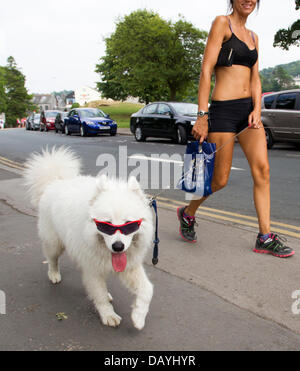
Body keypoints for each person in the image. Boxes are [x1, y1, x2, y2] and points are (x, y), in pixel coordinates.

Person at [177, 0, 294, 258]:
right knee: (220, 180)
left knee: (263, 170)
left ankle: (265, 236)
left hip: (248, 112)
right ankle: (188, 213)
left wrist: (257, 109)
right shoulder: (222, 23)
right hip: (224, 112)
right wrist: (202, 115)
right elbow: (206, 70)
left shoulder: (253, 37)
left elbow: (255, 77)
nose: (248, 0)